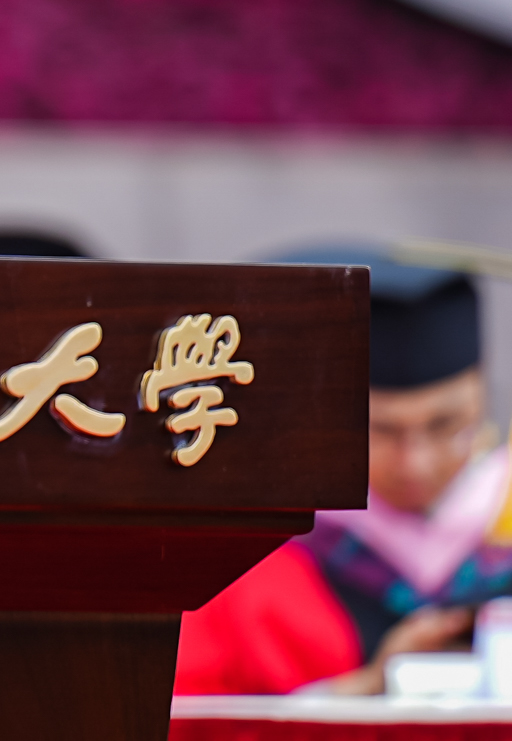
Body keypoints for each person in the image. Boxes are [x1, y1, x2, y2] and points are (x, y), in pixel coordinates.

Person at [174, 245, 512, 695]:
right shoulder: (255, 564)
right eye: (382, 430)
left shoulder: (502, 523)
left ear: (482, 397)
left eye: (445, 425)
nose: (416, 462)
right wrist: (365, 692)